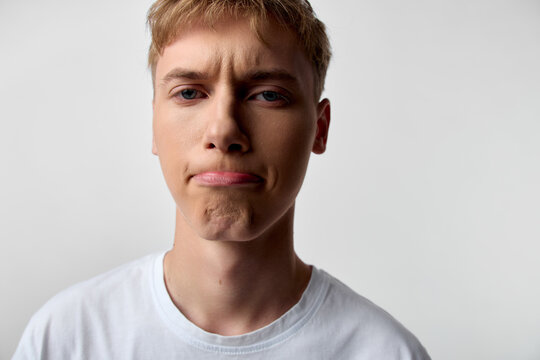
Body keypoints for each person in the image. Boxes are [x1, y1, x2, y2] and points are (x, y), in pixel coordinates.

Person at [13, 0, 431, 359]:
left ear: (319, 129)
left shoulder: (384, 351)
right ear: (153, 125)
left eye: (268, 94)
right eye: (190, 93)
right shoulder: (66, 339)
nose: (224, 131)